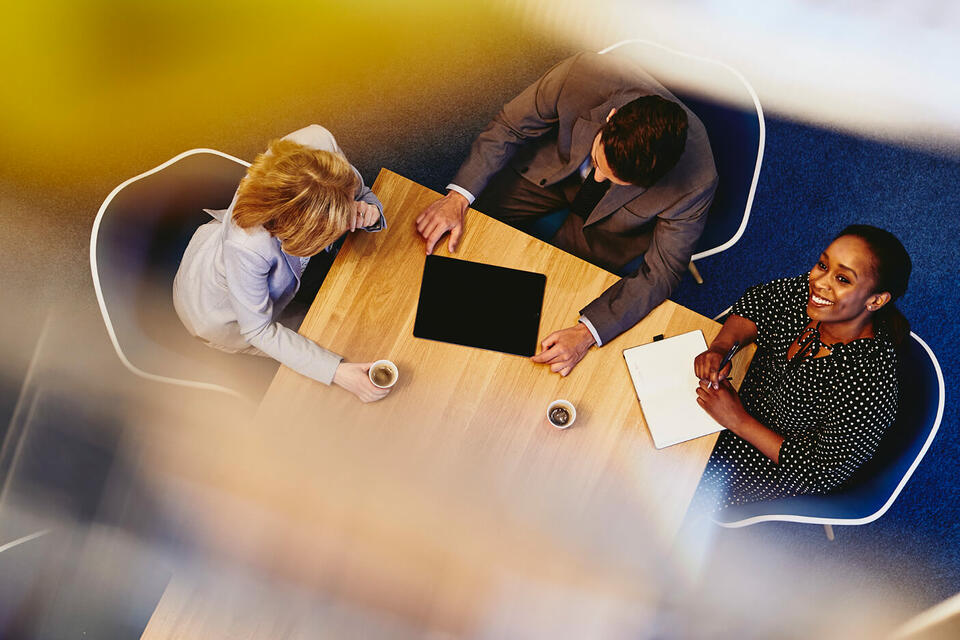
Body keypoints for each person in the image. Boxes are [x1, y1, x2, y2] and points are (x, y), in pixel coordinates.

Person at [415, 52, 717, 376]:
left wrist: (587, 333)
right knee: (464, 241)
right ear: (611, 118)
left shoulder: (697, 181)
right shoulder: (583, 74)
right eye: (599, 164)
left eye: (615, 180)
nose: (597, 179)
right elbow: (509, 127)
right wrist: (457, 197)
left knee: (558, 310)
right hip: (552, 172)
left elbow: (661, 274)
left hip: (612, 230)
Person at [691, 225, 912, 510]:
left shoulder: (867, 385)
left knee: (659, 490)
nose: (819, 282)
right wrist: (722, 346)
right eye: (822, 264)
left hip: (767, 459)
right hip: (735, 397)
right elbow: (757, 303)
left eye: (842, 279)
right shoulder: (811, 295)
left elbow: (818, 473)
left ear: (876, 300)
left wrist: (737, 420)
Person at [173, 124, 390, 403]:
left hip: (240, 259)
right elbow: (259, 330)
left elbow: (357, 190)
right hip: (222, 314)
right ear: (304, 233)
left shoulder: (316, 142)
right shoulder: (248, 247)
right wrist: (337, 372)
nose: (353, 208)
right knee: (336, 344)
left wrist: (369, 211)